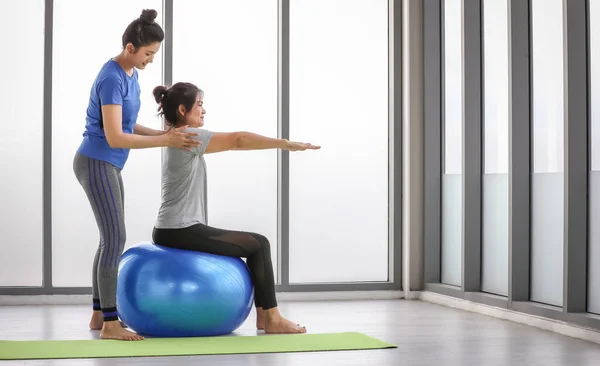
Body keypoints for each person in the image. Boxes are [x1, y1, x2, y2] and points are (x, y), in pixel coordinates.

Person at [151, 82, 320, 334]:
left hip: (172, 227)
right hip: (180, 229)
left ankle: (265, 318)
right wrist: (285, 143)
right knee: (259, 244)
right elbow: (238, 140)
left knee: (256, 243)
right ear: (183, 109)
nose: (204, 110)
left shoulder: (173, 136)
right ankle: (271, 318)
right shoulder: (188, 136)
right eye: (199, 105)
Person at [73, 10, 200, 341]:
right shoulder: (112, 78)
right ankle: (111, 325)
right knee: (115, 238)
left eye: (154, 54)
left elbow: (128, 127)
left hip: (109, 164)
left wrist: (167, 134)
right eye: (147, 54)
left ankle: (99, 316)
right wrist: (164, 140)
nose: (150, 60)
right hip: (97, 161)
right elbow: (115, 137)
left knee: (109, 239)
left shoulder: (130, 75)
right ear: (130, 47)